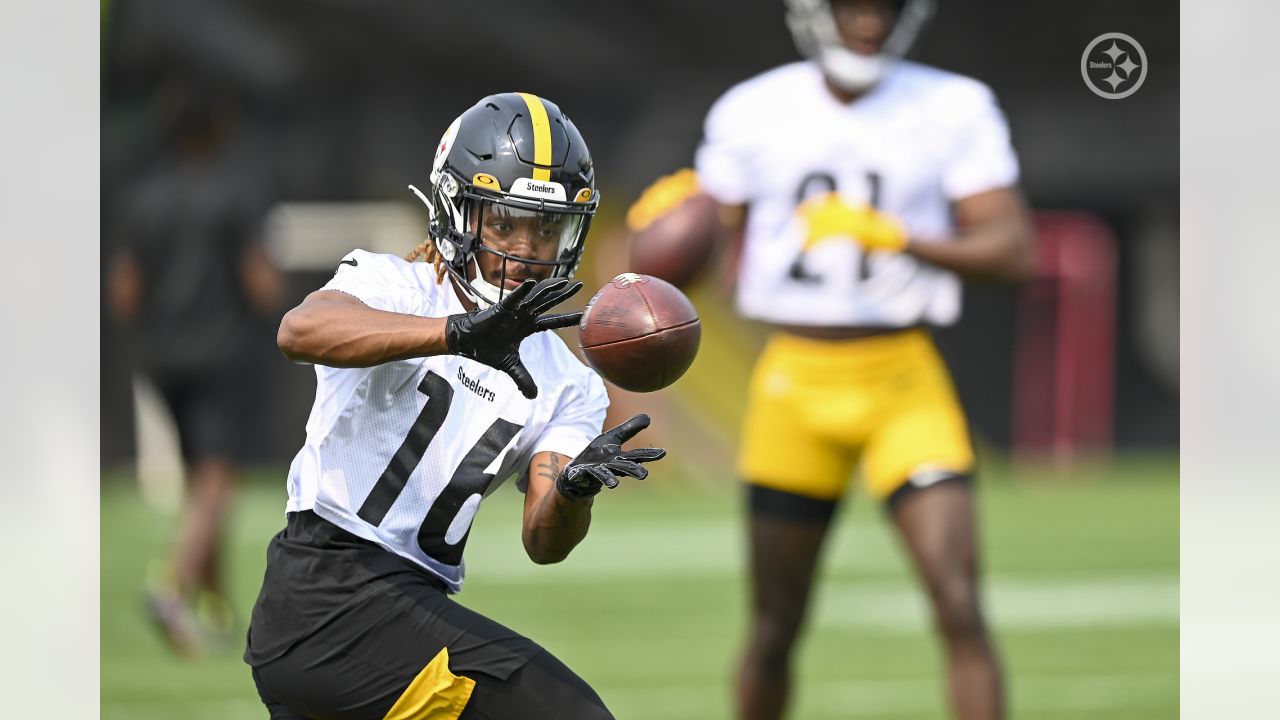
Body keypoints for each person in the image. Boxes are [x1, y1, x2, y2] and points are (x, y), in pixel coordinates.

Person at [628, 2, 1034, 718]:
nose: (870, 20)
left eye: (886, 5)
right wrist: (668, 230)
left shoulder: (953, 105)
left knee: (959, 602)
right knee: (775, 627)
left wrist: (901, 238)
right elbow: (703, 257)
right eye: (853, 4)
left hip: (903, 376)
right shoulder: (753, 111)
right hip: (795, 379)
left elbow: (1012, 248)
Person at [244, 92, 665, 720]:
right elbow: (299, 332)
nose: (525, 250)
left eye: (546, 228)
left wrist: (574, 492)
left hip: (398, 610)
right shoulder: (396, 285)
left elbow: (543, 541)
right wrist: (455, 334)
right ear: (457, 213)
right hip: (328, 590)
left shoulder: (570, 382)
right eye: (504, 223)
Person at [106, 77, 282, 656]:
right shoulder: (234, 192)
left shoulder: (143, 197)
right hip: (220, 355)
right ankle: (172, 585)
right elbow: (260, 282)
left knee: (203, 479)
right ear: (219, 127)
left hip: (161, 359)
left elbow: (124, 291)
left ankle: (216, 601)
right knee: (216, 480)